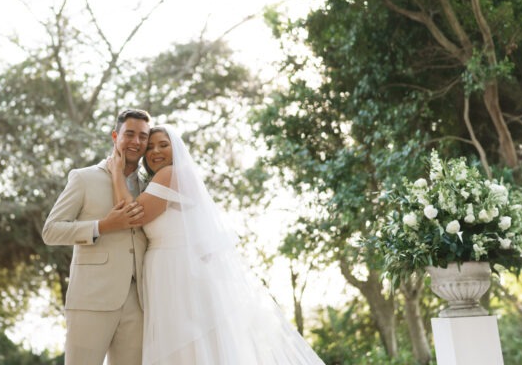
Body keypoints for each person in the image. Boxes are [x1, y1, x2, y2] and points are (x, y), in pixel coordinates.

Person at [107, 125, 325, 365]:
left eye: (163, 145)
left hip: (177, 272)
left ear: (176, 149)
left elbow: (132, 215)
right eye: (150, 147)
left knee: (184, 345)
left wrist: (116, 171)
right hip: (168, 270)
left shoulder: (171, 174)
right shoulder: (166, 180)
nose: (155, 151)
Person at [42, 109, 152, 365]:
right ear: (115, 136)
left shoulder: (150, 186)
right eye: (129, 134)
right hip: (91, 298)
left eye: (143, 136)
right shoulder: (84, 178)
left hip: (139, 302)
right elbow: (51, 230)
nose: (136, 142)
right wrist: (102, 226)